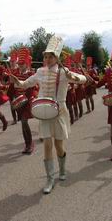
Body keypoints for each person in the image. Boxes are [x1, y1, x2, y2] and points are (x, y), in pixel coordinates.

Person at [10, 36, 87, 194]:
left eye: (50, 56)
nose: (47, 58)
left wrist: (75, 77)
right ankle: (50, 179)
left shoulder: (64, 72)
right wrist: (17, 82)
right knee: (47, 145)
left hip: (59, 111)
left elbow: (83, 79)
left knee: (59, 146)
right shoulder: (39, 72)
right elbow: (26, 84)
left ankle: (63, 169)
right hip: (44, 111)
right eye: (45, 56)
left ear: (56, 57)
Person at [6, 50, 19, 125]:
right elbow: (7, 81)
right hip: (10, 88)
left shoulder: (18, 69)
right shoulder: (9, 70)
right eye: (11, 61)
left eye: (13, 61)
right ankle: (14, 119)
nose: (11, 63)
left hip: (17, 88)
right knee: (12, 105)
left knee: (18, 104)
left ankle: (19, 116)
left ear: (15, 62)